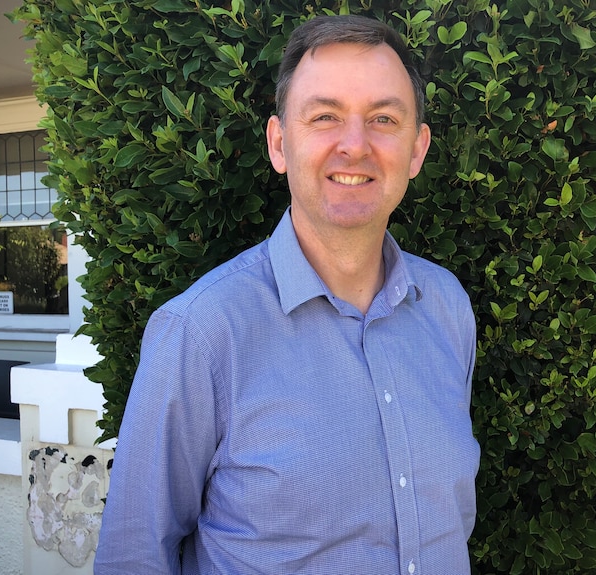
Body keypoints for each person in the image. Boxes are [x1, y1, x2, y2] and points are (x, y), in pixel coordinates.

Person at [94, 14, 480, 575]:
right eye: (325, 117)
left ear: (417, 150)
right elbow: (135, 557)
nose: (355, 145)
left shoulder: (447, 308)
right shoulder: (201, 331)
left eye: (383, 119)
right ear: (280, 144)